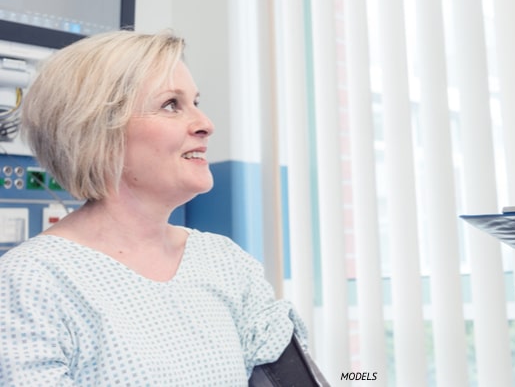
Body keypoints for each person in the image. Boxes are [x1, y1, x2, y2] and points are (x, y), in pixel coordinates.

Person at [0, 31, 307, 385]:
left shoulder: (224, 262)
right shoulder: (30, 283)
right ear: (97, 132)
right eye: (171, 105)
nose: (206, 124)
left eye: (195, 101)